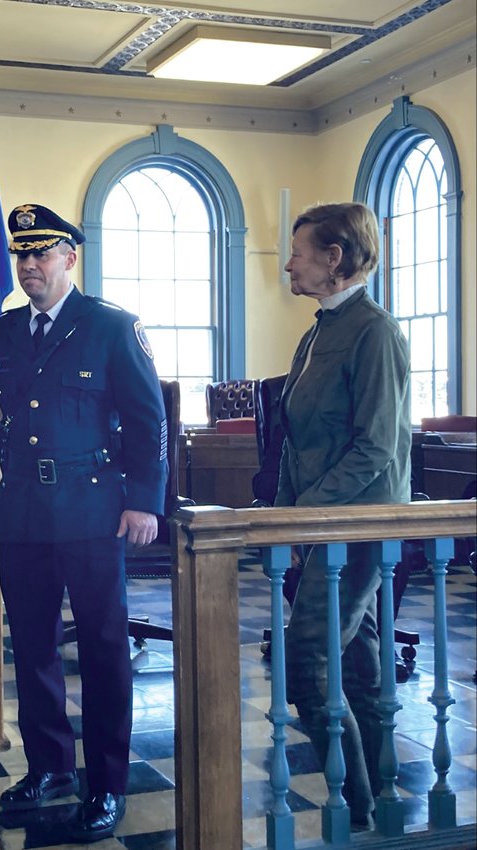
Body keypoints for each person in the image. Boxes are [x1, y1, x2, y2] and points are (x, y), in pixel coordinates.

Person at [0, 203, 167, 843]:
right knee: (31, 651)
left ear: (69, 258)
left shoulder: (111, 327)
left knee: (105, 650)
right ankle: (50, 767)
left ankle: (107, 782)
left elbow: (147, 421)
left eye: (42, 253)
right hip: (24, 512)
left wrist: (145, 500)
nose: (30, 265)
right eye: (22, 254)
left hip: (93, 513)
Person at [275, 202, 411, 830]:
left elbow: (377, 445)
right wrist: (285, 520)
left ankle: (354, 802)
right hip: (318, 526)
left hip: (358, 527)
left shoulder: (374, 330)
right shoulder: (316, 331)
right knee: (354, 660)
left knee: (305, 654)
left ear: (335, 259)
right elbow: (294, 439)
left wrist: (307, 513)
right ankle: (378, 799)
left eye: (299, 253)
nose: (289, 264)